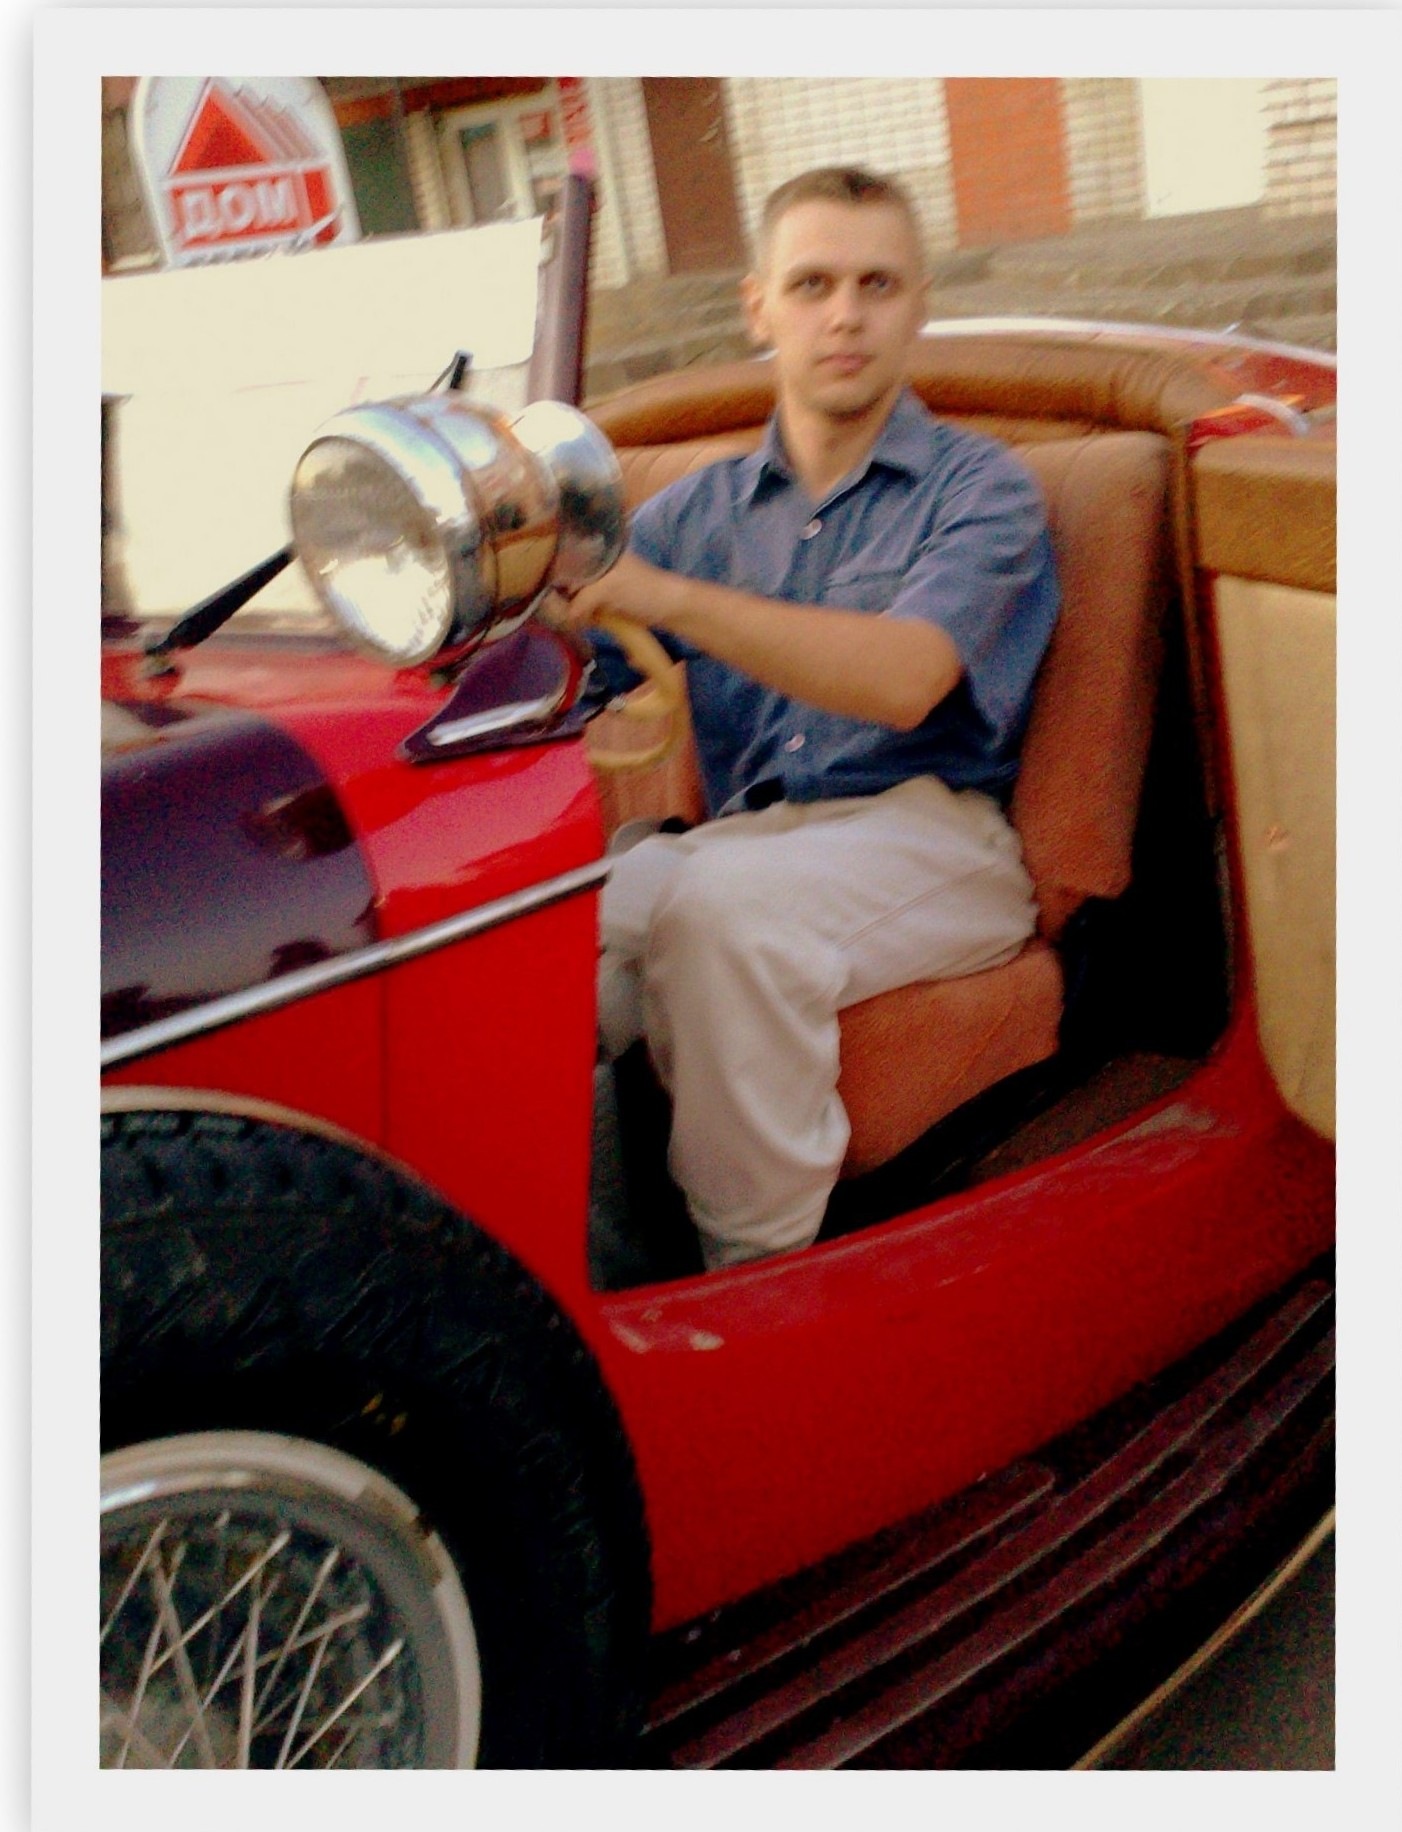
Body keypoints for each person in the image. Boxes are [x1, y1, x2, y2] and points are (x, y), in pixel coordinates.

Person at [564, 167, 1060, 1272]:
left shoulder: (983, 489)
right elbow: (566, 667)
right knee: (528, 936)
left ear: (919, 304)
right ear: (759, 308)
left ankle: (758, 1280)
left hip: (938, 836)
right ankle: (567, 1282)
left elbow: (905, 678)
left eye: (876, 284)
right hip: (746, 839)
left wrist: (670, 598)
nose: (844, 315)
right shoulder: (692, 513)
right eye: (812, 284)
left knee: (721, 916)